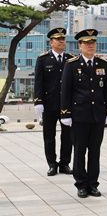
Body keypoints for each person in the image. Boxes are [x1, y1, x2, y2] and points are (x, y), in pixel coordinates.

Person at [60, 29, 107, 198]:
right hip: (79, 115)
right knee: (79, 151)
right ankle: (81, 184)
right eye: (87, 43)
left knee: (95, 151)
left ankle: (93, 184)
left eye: (93, 43)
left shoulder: (102, 64)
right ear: (80, 45)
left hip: (97, 115)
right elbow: (65, 91)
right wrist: (65, 113)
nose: (90, 46)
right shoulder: (72, 64)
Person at [33, 27, 74, 176]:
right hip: (49, 104)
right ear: (51, 42)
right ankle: (52, 164)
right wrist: (38, 101)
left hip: (67, 105)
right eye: (59, 39)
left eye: (63, 39)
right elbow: (38, 82)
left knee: (68, 136)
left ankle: (65, 164)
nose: (62, 41)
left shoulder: (71, 59)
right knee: (49, 136)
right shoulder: (43, 59)